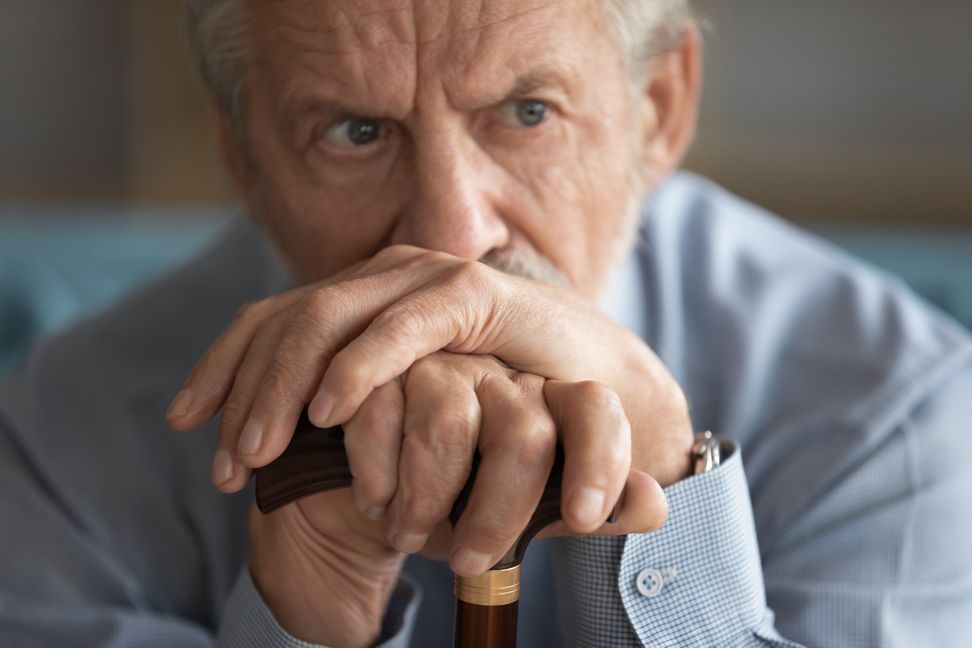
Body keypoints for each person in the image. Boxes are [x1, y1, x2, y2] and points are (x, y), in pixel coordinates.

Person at [2, 1, 971, 646]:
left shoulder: (895, 410)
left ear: (658, 109)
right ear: (244, 158)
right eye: (355, 132)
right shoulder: (65, 434)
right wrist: (309, 608)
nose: (451, 236)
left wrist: (670, 486)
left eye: (526, 112)